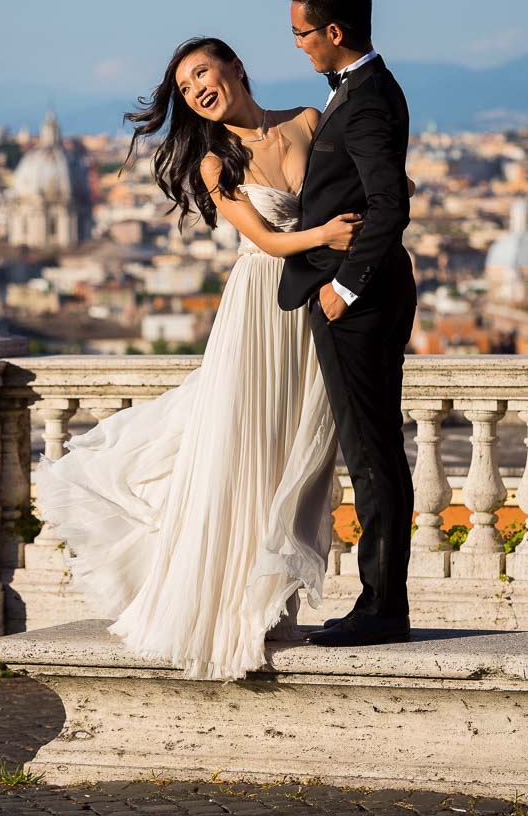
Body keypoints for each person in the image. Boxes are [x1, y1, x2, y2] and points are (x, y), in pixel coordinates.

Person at [34, 36, 363, 680]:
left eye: (202, 75)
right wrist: (325, 234)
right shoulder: (217, 160)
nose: (197, 92)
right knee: (246, 449)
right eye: (185, 89)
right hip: (260, 307)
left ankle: (276, 601)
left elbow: (354, 182)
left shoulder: (308, 119)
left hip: (314, 308)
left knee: (301, 450)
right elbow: (267, 239)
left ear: (236, 68)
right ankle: (239, 610)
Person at [278, 0, 417, 647]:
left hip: (355, 295)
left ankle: (381, 609)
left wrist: (342, 286)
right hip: (379, 285)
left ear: (333, 31)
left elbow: (390, 201)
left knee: (368, 452)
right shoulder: (370, 89)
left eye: (302, 33)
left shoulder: (362, 99)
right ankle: (380, 602)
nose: (297, 44)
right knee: (377, 448)